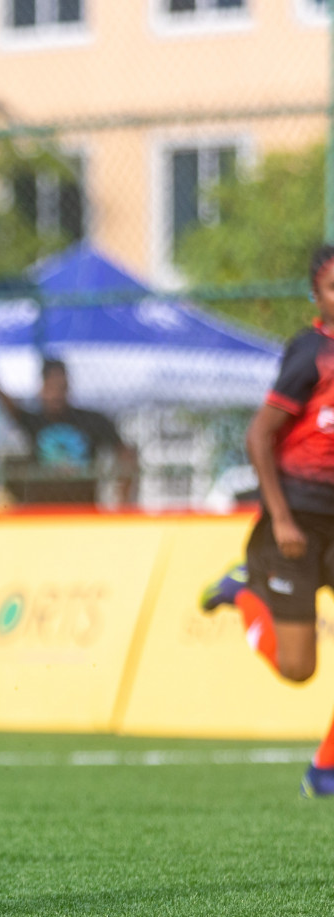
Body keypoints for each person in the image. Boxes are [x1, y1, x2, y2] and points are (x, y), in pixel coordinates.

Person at [201, 243, 334, 798]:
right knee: (298, 668)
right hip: (298, 520)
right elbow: (259, 436)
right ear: (317, 295)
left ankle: (325, 772)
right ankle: (243, 592)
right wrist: (280, 518)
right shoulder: (311, 355)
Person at [0, 314, 136, 505]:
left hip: (82, 510)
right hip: (43, 510)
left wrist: (123, 494)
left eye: (62, 387)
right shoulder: (34, 420)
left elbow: (125, 452)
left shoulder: (90, 420)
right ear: (42, 389)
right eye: (52, 388)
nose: (57, 394)